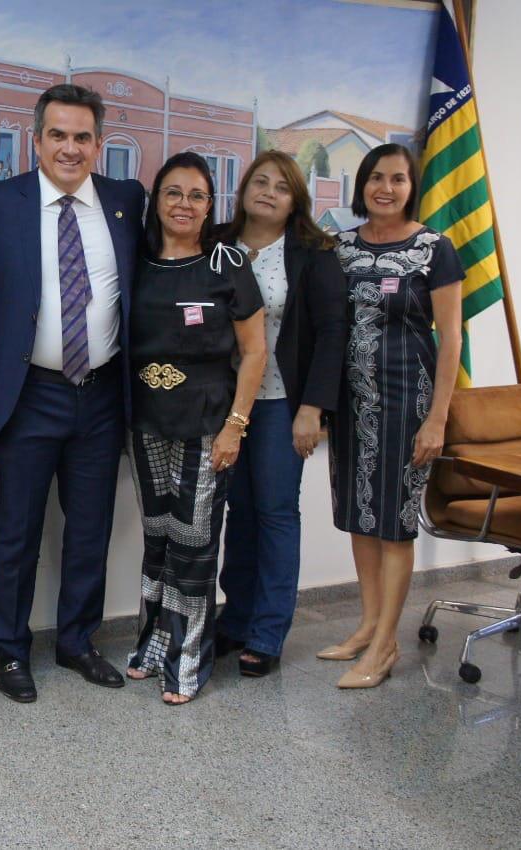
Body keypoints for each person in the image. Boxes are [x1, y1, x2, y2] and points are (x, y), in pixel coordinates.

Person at [0, 84, 144, 703]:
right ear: (36, 141)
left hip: (101, 394)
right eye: (58, 135)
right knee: (16, 531)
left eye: (82, 137)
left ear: (99, 143)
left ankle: (77, 641)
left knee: (90, 528)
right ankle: (12, 651)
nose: (70, 148)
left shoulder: (125, 201)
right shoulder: (0, 201)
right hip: (28, 395)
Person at [124, 151, 266, 704]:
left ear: (210, 205)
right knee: (158, 536)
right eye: (173, 192)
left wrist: (236, 426)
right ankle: (153, 643)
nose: (184, 204)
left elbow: (254, 352)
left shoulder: (227, 263)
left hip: (207, 423)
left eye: (196, 195)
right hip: (146, 421)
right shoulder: (136, 259)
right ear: (156, 200)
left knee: (195, 540)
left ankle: (187, 662)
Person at [322, 143, 463, 688]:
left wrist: (438, 418)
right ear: (362, 184)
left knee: (394, 524)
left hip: (409, 403)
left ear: (411, 187)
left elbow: (451, 340)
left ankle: (384, 646)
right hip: (351, 403)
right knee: (360, 514)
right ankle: (367, 626)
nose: (386, 188)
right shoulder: (341, 248)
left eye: (398, 179)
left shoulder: (434, 249)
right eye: (376, 177)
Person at [214, 151, 349, 677]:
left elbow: (332, 333)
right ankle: (235, 618)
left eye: (282, 187)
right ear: (244, 187)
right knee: (237, 510)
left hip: (279, 403)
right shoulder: (216, 244)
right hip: (222, 403)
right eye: (261, 181)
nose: (268, 192)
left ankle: (267, 632)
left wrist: (312, 408)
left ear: (296, 201)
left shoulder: (313, 254)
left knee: (273, 511)